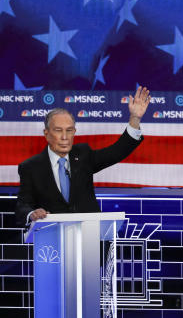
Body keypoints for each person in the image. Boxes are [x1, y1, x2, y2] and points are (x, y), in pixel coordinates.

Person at [14, 86, 151, 226]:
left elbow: (117, 151)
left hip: (88, 233)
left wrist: (135, 118)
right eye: (58, 130)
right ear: (46, 133)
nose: (64, 137)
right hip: (51, 237)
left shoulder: (83, 154)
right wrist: (32, 213)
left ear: (74, 132)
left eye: (69, 130)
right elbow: (23, 205)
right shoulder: (30, 167)